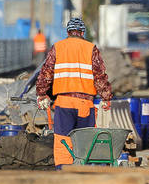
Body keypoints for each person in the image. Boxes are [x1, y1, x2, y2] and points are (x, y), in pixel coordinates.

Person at [36, 17, 114, 168]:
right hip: (85, 104)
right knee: (84, 142)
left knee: (62, 140)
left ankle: (63, 171)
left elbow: (46, 73)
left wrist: (41, 93)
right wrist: (106, 97)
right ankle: (83, 171)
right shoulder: (91, 48)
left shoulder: (58, 47)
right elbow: (99, 76)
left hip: (64, 103)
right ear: (82, 32)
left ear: (68, 32)